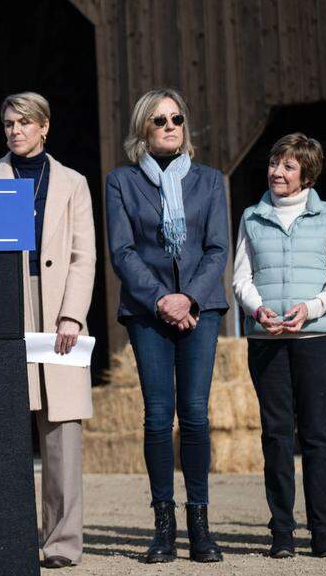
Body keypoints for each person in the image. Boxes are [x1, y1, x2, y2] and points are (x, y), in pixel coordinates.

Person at [0, 92, 96, 569]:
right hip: (7, 306)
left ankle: (62, 544)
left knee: (63, 430)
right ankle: (9, 540)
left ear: (45, 126)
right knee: (4, 428)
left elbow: (84, 256)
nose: (16, 130)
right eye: (8, 123)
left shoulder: (73, 183)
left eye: (25, 122)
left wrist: (72, 315)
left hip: (60, 306)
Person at [105, 88, 229, 563]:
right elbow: (122, 251)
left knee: (195, 414)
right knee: (158, 416)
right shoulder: (122, 182)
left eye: (176, 118)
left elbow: (217, 248)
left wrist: (189, 297)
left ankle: (200, 526)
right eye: (159, 120)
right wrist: (162, 300)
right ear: (143, 128)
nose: (170, 126)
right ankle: (164, 528)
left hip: (201, 308)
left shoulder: (209, 180)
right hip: (148, 310)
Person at [232, 133, 326, 559]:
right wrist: (257, 309)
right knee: (276, 435)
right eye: (273, 164)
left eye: (288, 166)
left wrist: (310, 309)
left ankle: (323, 533)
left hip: (318, 337)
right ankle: (282, 532)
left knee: (316, 434)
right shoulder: (251, 217)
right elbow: (241, 276)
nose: (277, 172)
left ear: (307, 174)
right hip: (268, 339)